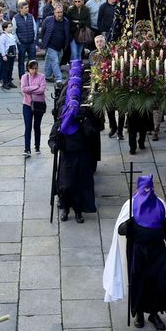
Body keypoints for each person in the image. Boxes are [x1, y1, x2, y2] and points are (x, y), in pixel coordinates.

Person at [103, 175, 166, 329]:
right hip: (137, 252)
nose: (148, 192)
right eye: (145, 189)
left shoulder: (159, 205)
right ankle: (139, 314)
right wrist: (127, 225)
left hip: (157, 252)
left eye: (150, 188)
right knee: (139, 283)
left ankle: (154, 314)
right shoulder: (130, 205)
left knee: (158, 284)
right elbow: (120, 230)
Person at [48, 61, 101, 223]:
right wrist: (54, 145)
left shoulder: (83, 115)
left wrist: (83, 120)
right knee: (65, 185)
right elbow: (53, 137)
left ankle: (78, 212)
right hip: (67, 156)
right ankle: (65, 208)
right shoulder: (63, 119)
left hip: (82, 155)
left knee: (79, 186)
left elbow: (92, 133)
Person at [20, 60, 46, 157]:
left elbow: (42, 89)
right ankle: (27, 149)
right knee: (28, 127)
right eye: (32, 68)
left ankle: (37, 146)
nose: (34, 71)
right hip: (27, 104)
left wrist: (30, 88)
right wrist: (36, 87)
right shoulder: (24, 77)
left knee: (37, 126)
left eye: (35, 68)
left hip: (39, 104)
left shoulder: (41, 76)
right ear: (28, 68)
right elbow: (23, 89)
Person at [39, 4, 69, 84]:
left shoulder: (66, 21)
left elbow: (67, 34)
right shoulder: (48, 20)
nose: (59, 14)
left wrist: (65, 45)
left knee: (50, 61)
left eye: (61, 12)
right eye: (57, 12)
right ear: (54, 12)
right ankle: (58, 79)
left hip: (61, 46)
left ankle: (47, 76)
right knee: (55, 61)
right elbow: (43, 31)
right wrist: (44, 42)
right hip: (51, 45)